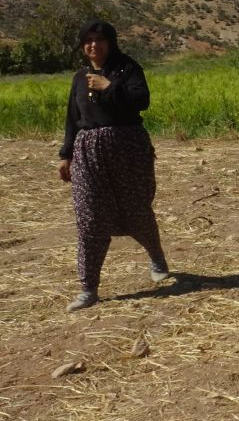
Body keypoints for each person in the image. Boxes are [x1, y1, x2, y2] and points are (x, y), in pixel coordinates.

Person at [57, 20, 170, 312]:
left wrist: (110, 87)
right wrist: (65, 154)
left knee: (135, 209)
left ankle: (156, 255)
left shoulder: (127, 69)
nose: (94, 45)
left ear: (111, 42)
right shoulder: (79, 77)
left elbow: (141, 101)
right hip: (88, 152)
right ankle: (88, 288)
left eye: (100, 40)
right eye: (88, 40)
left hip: (127, 147)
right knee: (89, 216)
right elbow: (73, 118)